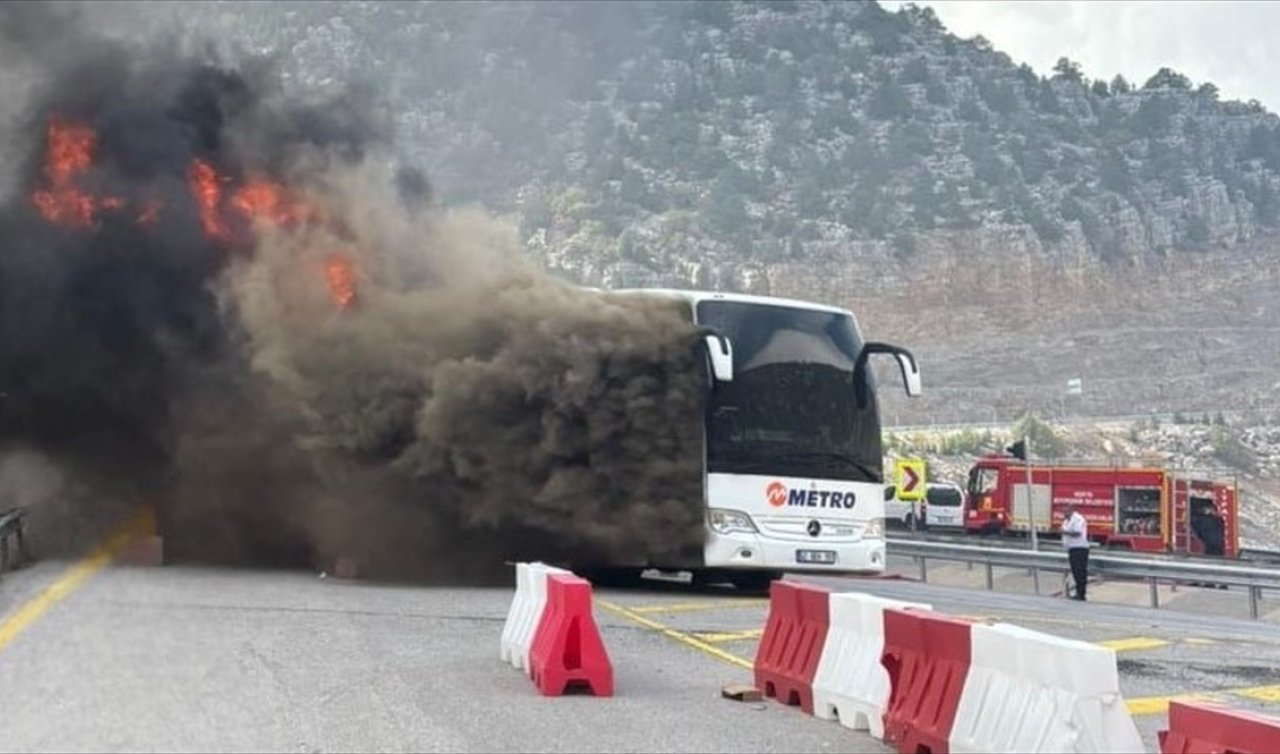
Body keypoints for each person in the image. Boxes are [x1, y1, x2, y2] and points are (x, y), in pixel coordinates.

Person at [1061, 503, 1090, 600]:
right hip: (1072, 548)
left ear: (1071, 510)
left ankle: (1081, 594)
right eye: (1063, 511)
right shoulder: (1066, 521)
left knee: (1080, 572)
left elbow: (1077, 533)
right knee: (1075, 572)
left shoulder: (1078, 519)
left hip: (1080, 548)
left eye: (1065, 511)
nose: (1064, 513)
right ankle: (1078, 592)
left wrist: (1064, 532)